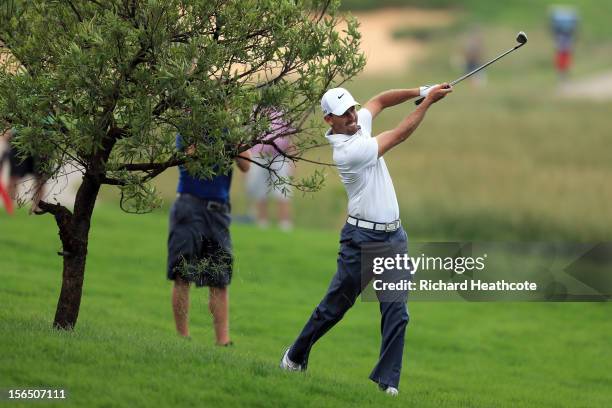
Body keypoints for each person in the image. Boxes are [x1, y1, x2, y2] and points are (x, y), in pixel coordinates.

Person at [280, 84, 452, 395]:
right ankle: (294, 355)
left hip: (394, 238)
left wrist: (419, 89)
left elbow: (379, 101)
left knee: (397, 312)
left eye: (351, 109)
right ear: (329, 120)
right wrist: (426, 103)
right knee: (335, 307)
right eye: (343, 113)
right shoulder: (348, 152)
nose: (351, 115)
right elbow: (399, 135)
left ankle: (388, 385)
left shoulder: (358, 124)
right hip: (362, 240)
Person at [167, 134, 250, 345]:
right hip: (189, 206)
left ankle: (223, 342)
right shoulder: (190, 124)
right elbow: (189, 158)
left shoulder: (230, 129)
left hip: (219, 211)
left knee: (220, 279)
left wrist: (233, 140)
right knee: (182, 274)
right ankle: (182, 338)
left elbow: (246, 165)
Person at [246, 108, 295, 231]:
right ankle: (262, 222)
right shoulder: (254, 110)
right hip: (258, 155)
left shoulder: (284, 111)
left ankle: (284, 223)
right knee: (260, 190)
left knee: (283, 189)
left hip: (280, 156)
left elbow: (291, 136)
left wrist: (292, 160)